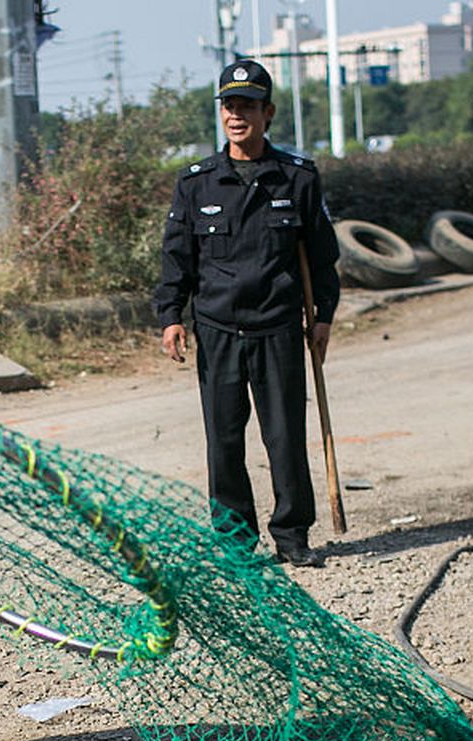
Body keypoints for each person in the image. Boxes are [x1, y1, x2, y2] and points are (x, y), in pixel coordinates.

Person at [154, 59, 341, 569]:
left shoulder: (297, 178)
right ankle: (235, 540)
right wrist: (171, 315)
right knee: (224, 439)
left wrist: (322, 315)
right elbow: (177, 258)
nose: (237, 116)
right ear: (222, 114)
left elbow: (323, 256)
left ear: (268, 112)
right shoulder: (196, 184)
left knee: (284, 435)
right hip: (217, 328)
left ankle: (292, 533)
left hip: (278, 325)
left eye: (248, 106)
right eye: (229, 106)